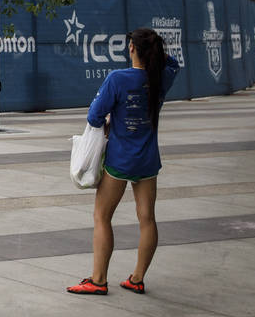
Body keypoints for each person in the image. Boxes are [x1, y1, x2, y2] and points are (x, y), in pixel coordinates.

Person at [67, 27, 179, 296]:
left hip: (119, 161)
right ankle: (137, 279)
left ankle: (98, 280)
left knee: (102, 216)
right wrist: (157, 54)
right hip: (148, 161)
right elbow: (173, 63)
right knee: (147, 219)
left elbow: (94, 116)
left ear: (131, 49)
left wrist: (109, 121)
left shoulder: (117, 79)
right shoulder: (162, 77)